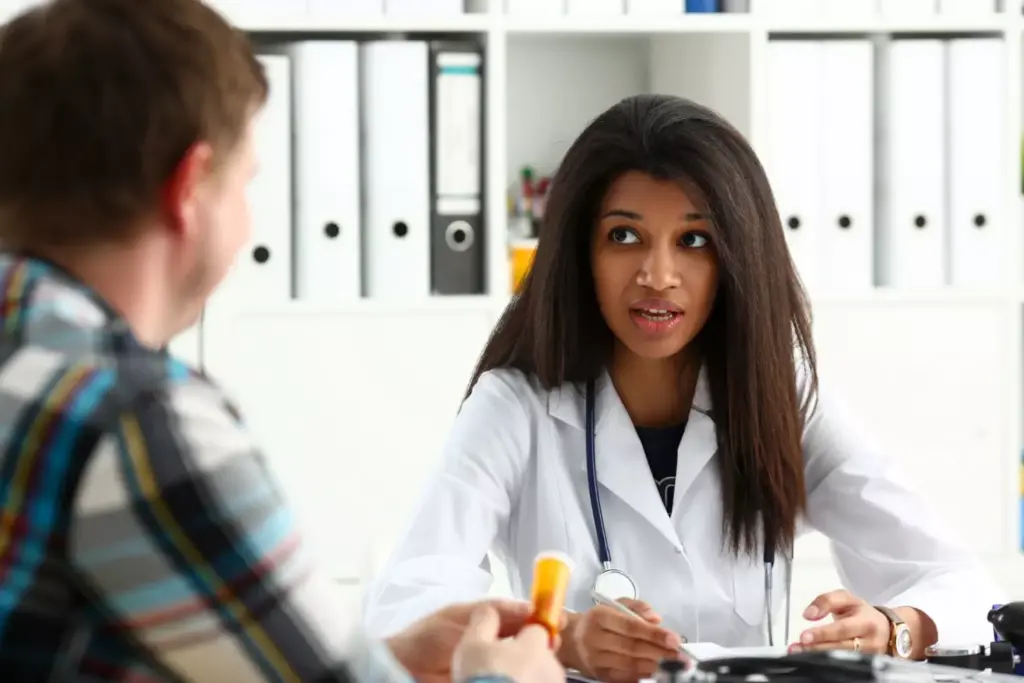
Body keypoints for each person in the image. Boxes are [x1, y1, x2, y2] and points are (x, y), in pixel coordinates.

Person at [0, 1, 565, 682]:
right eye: (246, 183)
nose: (248, 222)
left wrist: (383, 663)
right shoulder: (139, 424)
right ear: (188, 188)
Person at [362, 94, 1007, 682]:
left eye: (693, 240)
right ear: (580, 252)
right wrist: (564, 639)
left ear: (736, 257)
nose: (658, 274)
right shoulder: (517, 405)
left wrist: (894, 628)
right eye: (625, 236)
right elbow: (407, 608)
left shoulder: (780, 392)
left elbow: (959, 582)